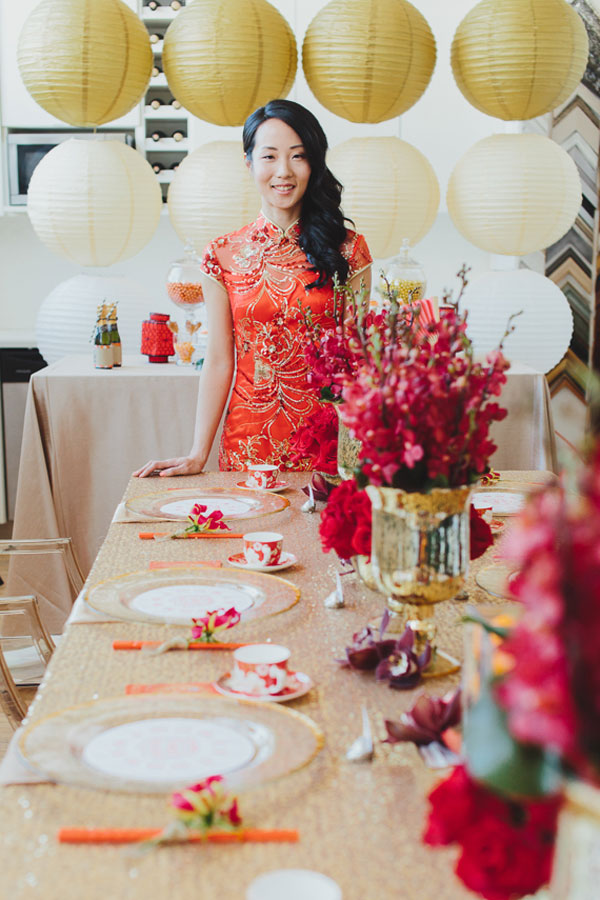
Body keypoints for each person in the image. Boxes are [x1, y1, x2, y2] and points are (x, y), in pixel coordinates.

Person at [134, 99, 372, 478]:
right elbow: (218, 359)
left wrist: (362, 449)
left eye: (298, 156)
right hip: (248, 443)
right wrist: (198, 453)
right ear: (249, 164)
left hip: (327, 442)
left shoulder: (347, 249)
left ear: (314, 163)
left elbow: (357, 359)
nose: (284, 171)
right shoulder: (222, 254)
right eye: (270, 157)